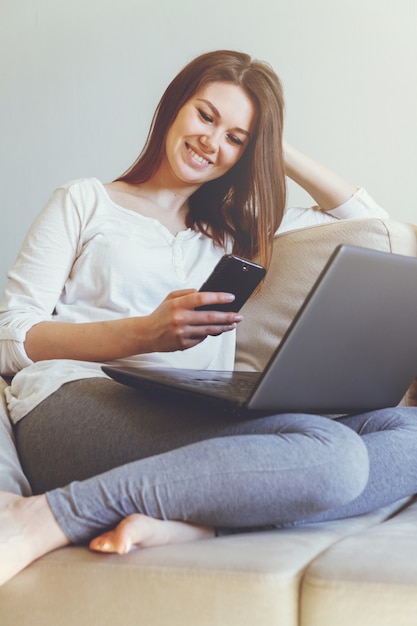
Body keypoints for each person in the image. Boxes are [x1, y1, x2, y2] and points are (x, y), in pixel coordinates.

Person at [1, 49, 417, 587]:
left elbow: (367, 221)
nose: (212, 142)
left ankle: (199, 525)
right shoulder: (84, 202)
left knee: (406, 431)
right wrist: (144, 333)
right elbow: (11, 337)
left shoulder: (235, 230)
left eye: (236, 138)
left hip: (193, 405)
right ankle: (48, 515)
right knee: (332, 454)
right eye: (206, 116)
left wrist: (270, 141)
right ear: (175, 107)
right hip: (72, 403)